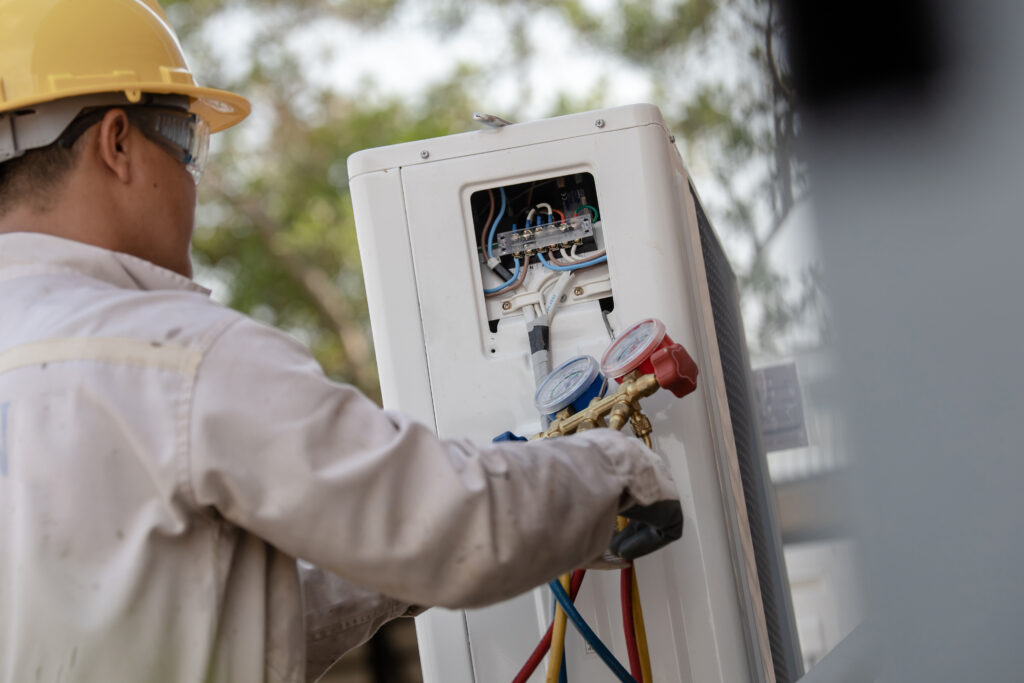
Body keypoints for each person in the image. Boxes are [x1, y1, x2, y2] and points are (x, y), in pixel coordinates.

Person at [0, 1, 683, 681]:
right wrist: (614, 472)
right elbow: (443, 523)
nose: (190, 180)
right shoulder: (182, 358)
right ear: (116, 142)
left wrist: (385, 563)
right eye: (187, 142)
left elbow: (220, 623)